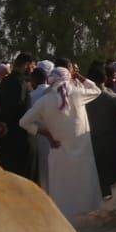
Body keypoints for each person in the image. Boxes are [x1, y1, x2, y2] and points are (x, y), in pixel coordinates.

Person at [18, 66, 103, 220]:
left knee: (62, 188)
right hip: (83, 153)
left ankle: (65, 221)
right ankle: (88, 217)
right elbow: (96, 90)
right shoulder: (78, 94)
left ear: (50, 81)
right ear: (68, 79)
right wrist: (80, 76)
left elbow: (23, 122)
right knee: (84, 185)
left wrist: (47, 135)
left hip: (58, 151)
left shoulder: (44, 101)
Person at [0, 53, 36, 178]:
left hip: (5, 138)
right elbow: (21, 110)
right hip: (21, 138)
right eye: (32, 66)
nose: (33, 70)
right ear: (27, 65)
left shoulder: (4, 82)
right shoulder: (22, 84)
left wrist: (0, 123)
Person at [85, 64, 116, 196]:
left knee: (98, 183)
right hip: (113, 146)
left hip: (91, 146)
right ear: (105, 79)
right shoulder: (114, 98)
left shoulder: (82, 100)